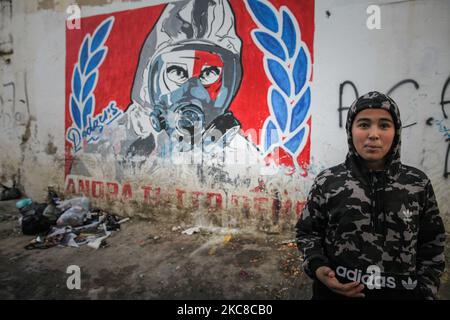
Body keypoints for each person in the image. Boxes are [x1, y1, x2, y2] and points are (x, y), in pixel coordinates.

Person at [295, 91, 446, 300]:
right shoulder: (327, 181)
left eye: (384, 125)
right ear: (351, 129)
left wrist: (426, 290)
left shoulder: (417, 184)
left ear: (396, 132)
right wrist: (318, 268)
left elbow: (432, 244)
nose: (373, 134)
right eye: (364, 124)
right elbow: (307, 233)